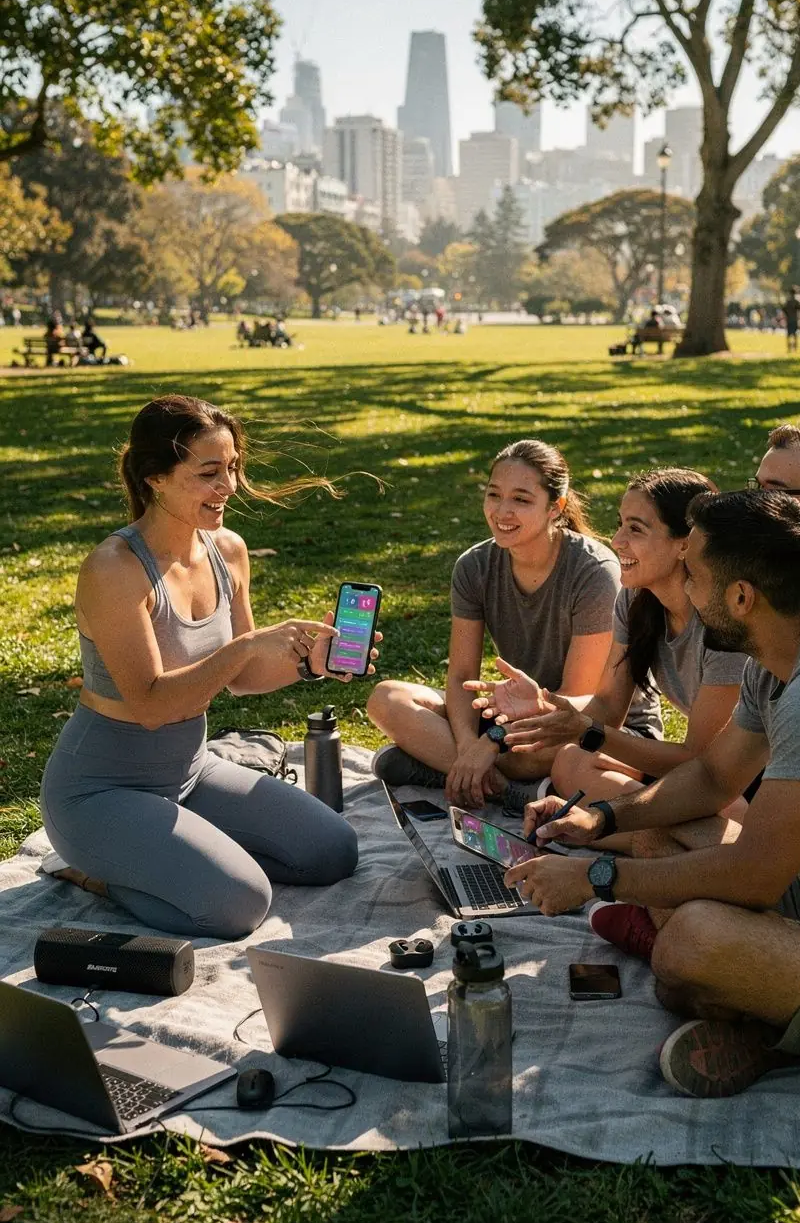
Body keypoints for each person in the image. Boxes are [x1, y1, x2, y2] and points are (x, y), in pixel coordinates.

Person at [506, 490, 800, 1098]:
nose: (686, 589)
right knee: (654, 834)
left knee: (690, 948)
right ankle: (758, 1013)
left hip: (788, 895)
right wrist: (601, 819)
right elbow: (710, 780)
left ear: (741, 598)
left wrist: (596, 877)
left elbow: (753, 875)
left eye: (693, 575)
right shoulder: (770, 660)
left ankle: (760, 1029)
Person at [40, 395, 366, 939]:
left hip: (190, 773)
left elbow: (240, 680)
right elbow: (149, 706)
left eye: (233, 467)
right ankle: (91, 871)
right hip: (99, 791)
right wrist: (245, 647)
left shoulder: (227, 550)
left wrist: (310, 665)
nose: (230, 487)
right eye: (209, 472)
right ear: (156, 478)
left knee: (333, 850)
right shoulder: (114, 569)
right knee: (237, 904)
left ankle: (183, 853)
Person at [367, 439, 661, 807]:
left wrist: (490, 744)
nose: (502, 511)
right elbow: (460, 677)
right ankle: (500, 784)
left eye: (521, 499)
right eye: (494, 495)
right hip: (511, 719)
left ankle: (459, 774)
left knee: (562, 752)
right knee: (388, 699)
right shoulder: (474, 566)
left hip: (586, 725)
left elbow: (573, 703)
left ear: (556, 507)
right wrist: (468, 748)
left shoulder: (595, 573)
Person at [469, 469, 748, 827]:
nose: (616, 540)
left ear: (685, 544)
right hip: (700, 774)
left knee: (723, 812)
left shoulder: (723, 621)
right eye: (620, 524)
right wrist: (546, 705)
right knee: (572, 760)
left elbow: (698, 760)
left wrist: (588, 731)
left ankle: (633, 828)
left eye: (635, 528)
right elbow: (608, 706)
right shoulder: (636, 598)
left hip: (744, 779)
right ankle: (645, 827)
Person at [783, 287, 800, 353]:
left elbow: (784, 309)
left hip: (789, 319)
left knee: (789, 334)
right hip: (795, 319)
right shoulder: (797, 301)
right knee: (795, 334)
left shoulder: (788, 301)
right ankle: (795, 348)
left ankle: (789, 348)